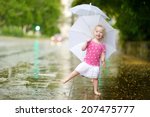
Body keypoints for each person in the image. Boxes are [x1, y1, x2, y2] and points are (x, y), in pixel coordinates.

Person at [63, 25, 106, 96]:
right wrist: (86, 42)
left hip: (95, 65)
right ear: (94, 32)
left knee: (95, 78)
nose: (98, 33)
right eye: (97, 31)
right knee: (77, 71)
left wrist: (103, 61)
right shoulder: (90, 41)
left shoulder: (102, 45)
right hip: (87, 62)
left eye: (101, 32)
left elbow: (102, 54)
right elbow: (83, 49)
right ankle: (67, 78)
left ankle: (95, 90)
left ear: (103, 35)